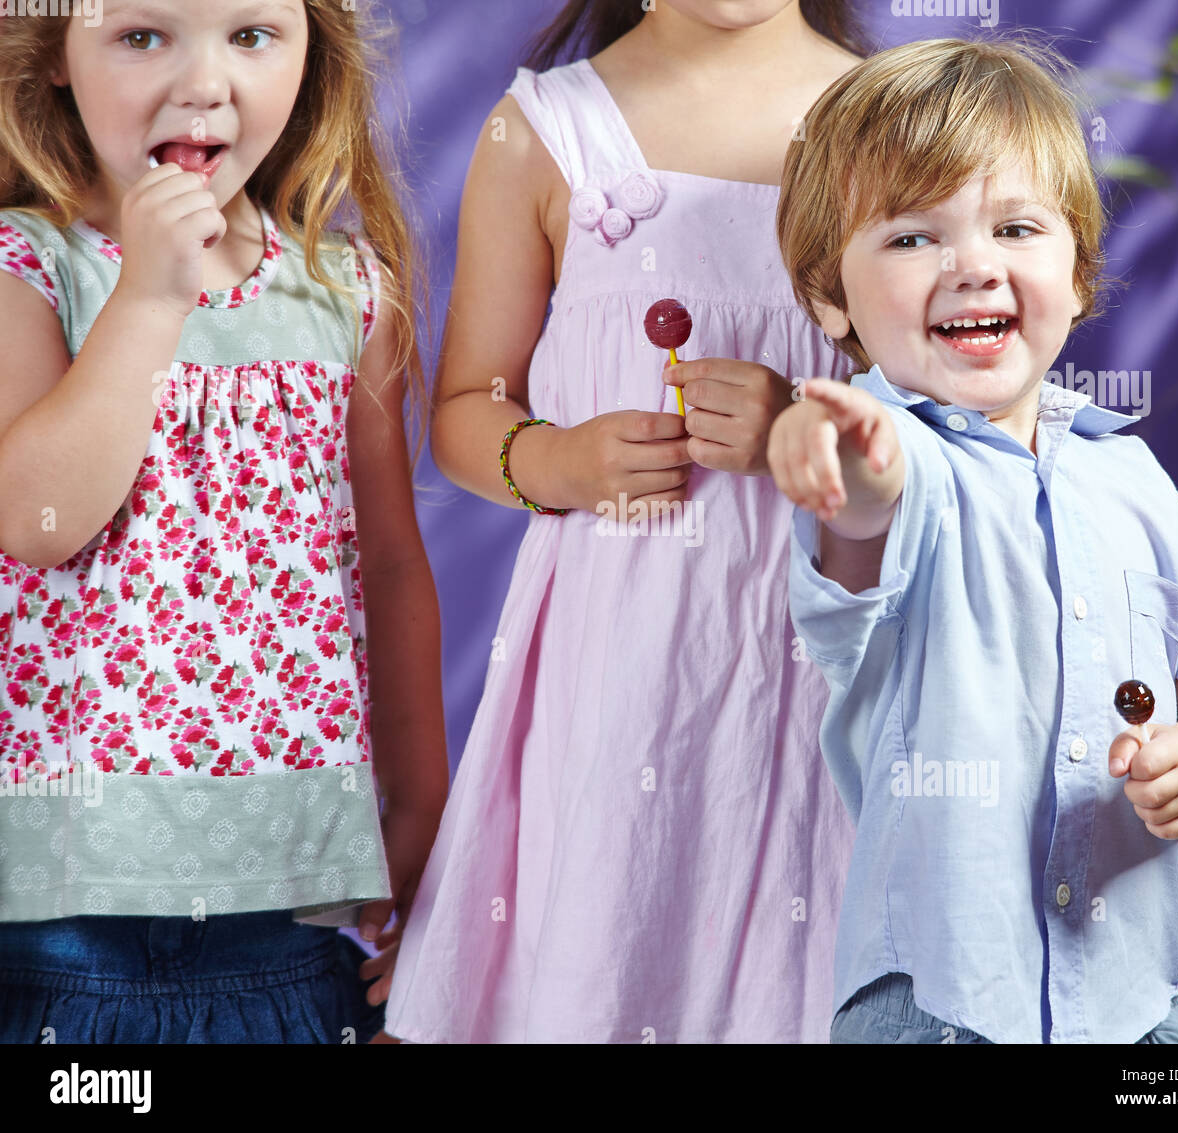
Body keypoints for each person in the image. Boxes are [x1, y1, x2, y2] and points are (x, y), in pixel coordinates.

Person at [767, 35, 1178, 1044]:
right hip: (938, 996)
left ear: (1079, 275)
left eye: (1014, 226)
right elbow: (866, 507)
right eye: (911, 237)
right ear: (830, 295)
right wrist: (842, 452)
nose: (972, 264)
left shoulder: (1128, 474)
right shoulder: (895, 456)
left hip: (1136, 1002)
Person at [384, 0, 866, 1042]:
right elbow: (468, 406)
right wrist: (557, 458)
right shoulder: (545, 129)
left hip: (831, 645)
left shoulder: (884, 119)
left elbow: (952, 406)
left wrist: (800, 420)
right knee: (620, 917)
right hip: (628, 667)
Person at [0, 0, 447, 1043]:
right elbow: (37, 517)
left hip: (287, 914)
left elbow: (387, 563)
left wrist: (422, 810)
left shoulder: (346, 288)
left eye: (251, 35)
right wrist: (150, 295)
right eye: (142, 35)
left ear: (310, 54)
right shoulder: (27, 266)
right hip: (59, 919)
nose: (205, 82)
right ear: (54, 56)